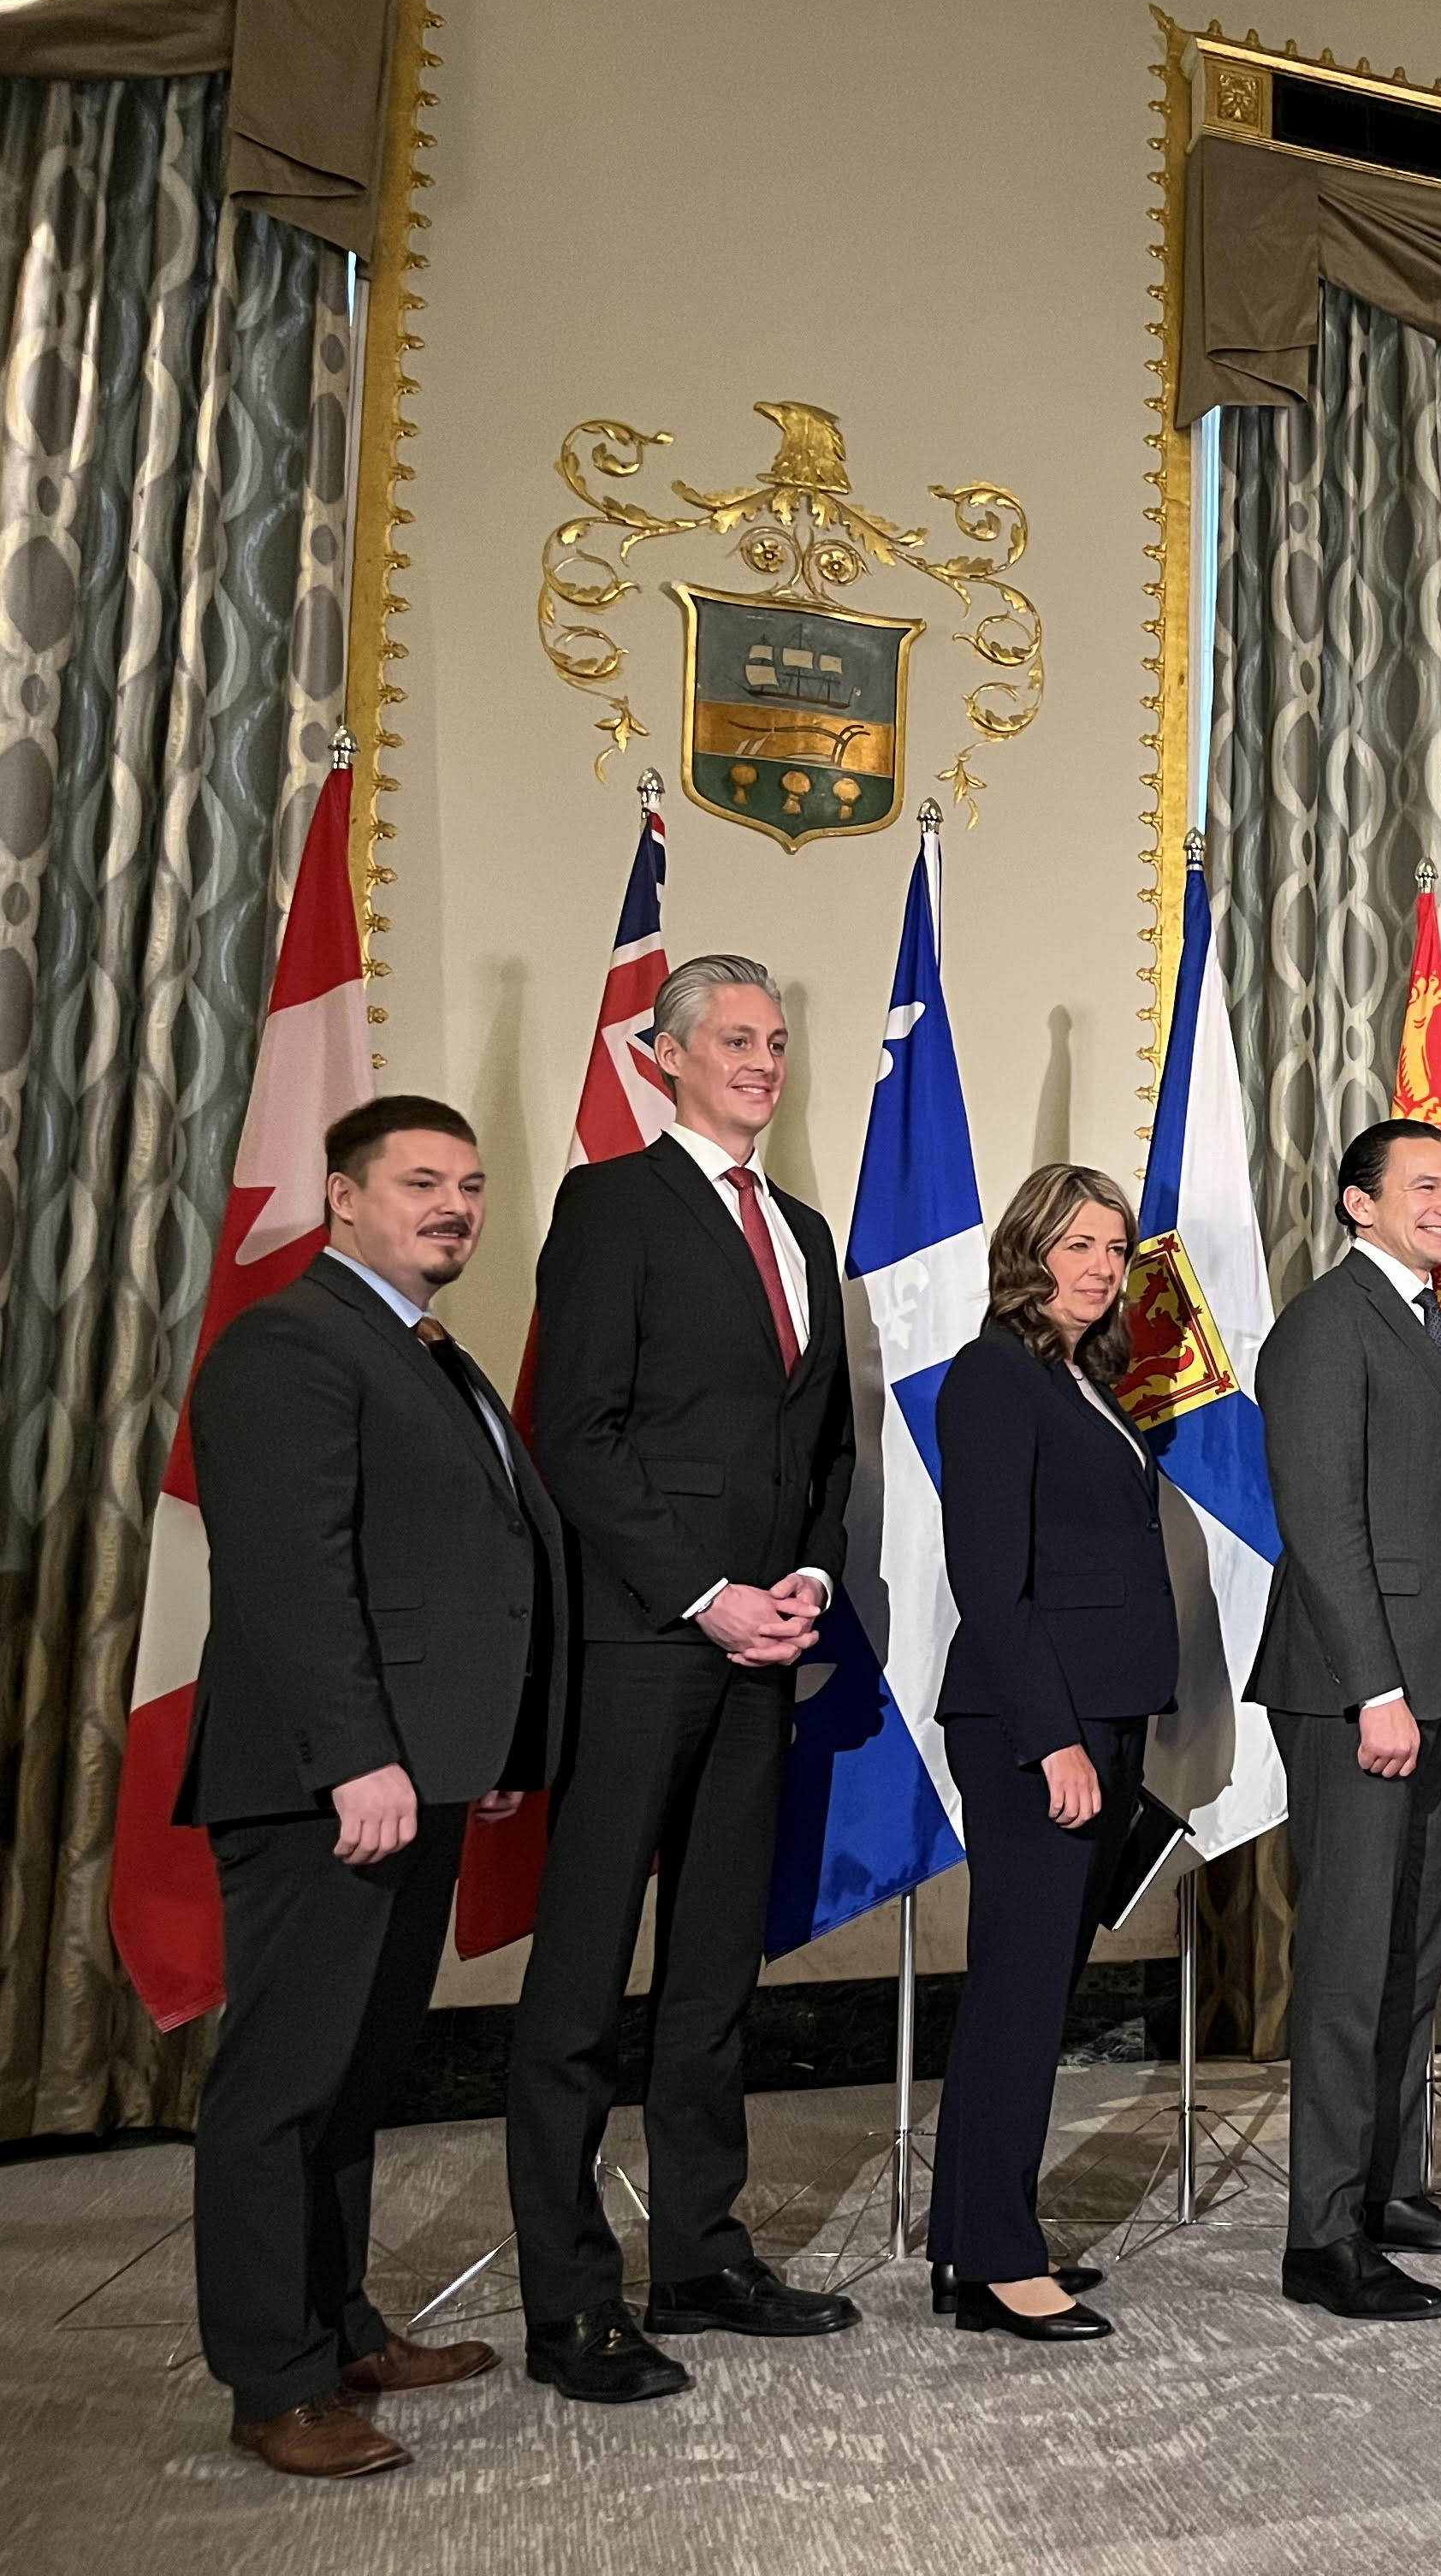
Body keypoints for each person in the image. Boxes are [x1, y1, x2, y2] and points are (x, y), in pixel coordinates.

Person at [184, 1097, 564, 2478]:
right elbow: (294, 1577)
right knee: (281, 2084)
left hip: (416, 1769)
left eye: (467, 1183)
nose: (453, 1204)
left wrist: (488, 1745)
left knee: (350, 2079)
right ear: (341, 1196)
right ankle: (271, 2377)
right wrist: (357, 1753)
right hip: (324, 1778)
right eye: (419, 1181)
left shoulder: (418, 1346)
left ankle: (338, 2324)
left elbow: (462, 1565)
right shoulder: (291, 1341)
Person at [507, 953, 860, 2401]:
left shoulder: (804, 1225)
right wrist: (705, 1592)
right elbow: (573, 1430)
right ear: (663, 1056)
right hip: (642, 1648)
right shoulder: (613, 1204)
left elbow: (824, 1443)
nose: (761, 1059)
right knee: (582, 1985)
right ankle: (571, 2301)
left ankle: (702, 2253)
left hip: (762, 1654)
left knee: (713, 1972)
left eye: (776, 1038)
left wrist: (810, 1582)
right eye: (732, 1038)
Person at [1251, 1119, 1441, 2326]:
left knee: (1413, 1952)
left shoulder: (1436, 1330)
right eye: (1426, 1185)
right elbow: (1323, 1521)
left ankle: (1391, 2188)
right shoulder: (1325, 1325)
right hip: (1355, 1693)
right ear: (1358, 1204)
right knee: (1351, 1965)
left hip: (1428, 1691)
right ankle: (1322, 2237)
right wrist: (1378, 1688)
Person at [925, 1166, 1182, 2341]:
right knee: (1022, 1999)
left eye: (1111, 1249)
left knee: (1034, 1994)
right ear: (1027, 1251)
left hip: (1098, 1722)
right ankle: (991, 2261)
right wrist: (1056, 1746)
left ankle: (976, 2240)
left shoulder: (1080, 1382)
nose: (1095, 1267)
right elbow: (991, 1579)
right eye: (1074, 1243)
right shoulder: (993, 1378)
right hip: (1038, 1733)